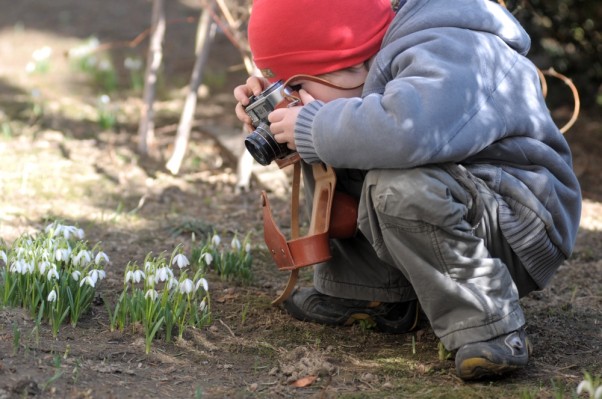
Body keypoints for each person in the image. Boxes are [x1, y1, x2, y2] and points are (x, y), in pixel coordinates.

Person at [233, 0, 582, 380]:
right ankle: (372, 294)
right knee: (331, 135)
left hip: (519, 217)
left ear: (353, 62)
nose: (292, 97)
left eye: (295, 85)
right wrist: (276, 121)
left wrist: (312, 125)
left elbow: (409, 133)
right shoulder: (367, 55)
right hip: (460, 198)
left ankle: (490, 327)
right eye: (281, 87)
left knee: (384, 173)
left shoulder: (451, 43)